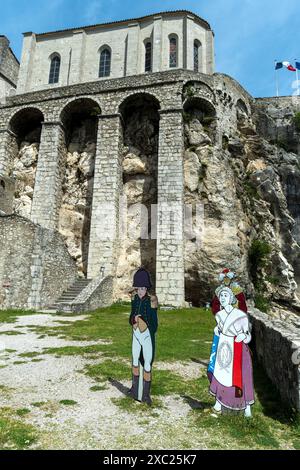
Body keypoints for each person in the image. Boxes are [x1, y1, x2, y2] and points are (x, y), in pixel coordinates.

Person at [208, 286, 255, 417]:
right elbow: (220, 329)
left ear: (231, 299)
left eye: (225, 296)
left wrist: (244, 337)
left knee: (242, 376)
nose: (223, 298)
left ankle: (246, 408)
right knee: (221, 373)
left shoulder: (240, 316)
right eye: (221, 296)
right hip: (224, 347)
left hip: (238, 348)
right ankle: (219, 403)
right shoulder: (219, 315)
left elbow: (248, 335)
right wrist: (217, 330)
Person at [128, 267, 158, 406]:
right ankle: (135, 389)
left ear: (146, 289)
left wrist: (145, 327)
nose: (141, 291)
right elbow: (130, 317)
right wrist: (134, 320)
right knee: (135, 360)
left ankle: (146, 394)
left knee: (147, 363)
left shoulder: (151, 301)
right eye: (139, 288)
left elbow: (154, 323)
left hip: (146, 335)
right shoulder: (135, 300)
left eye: (143, 288)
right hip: (136, 334)